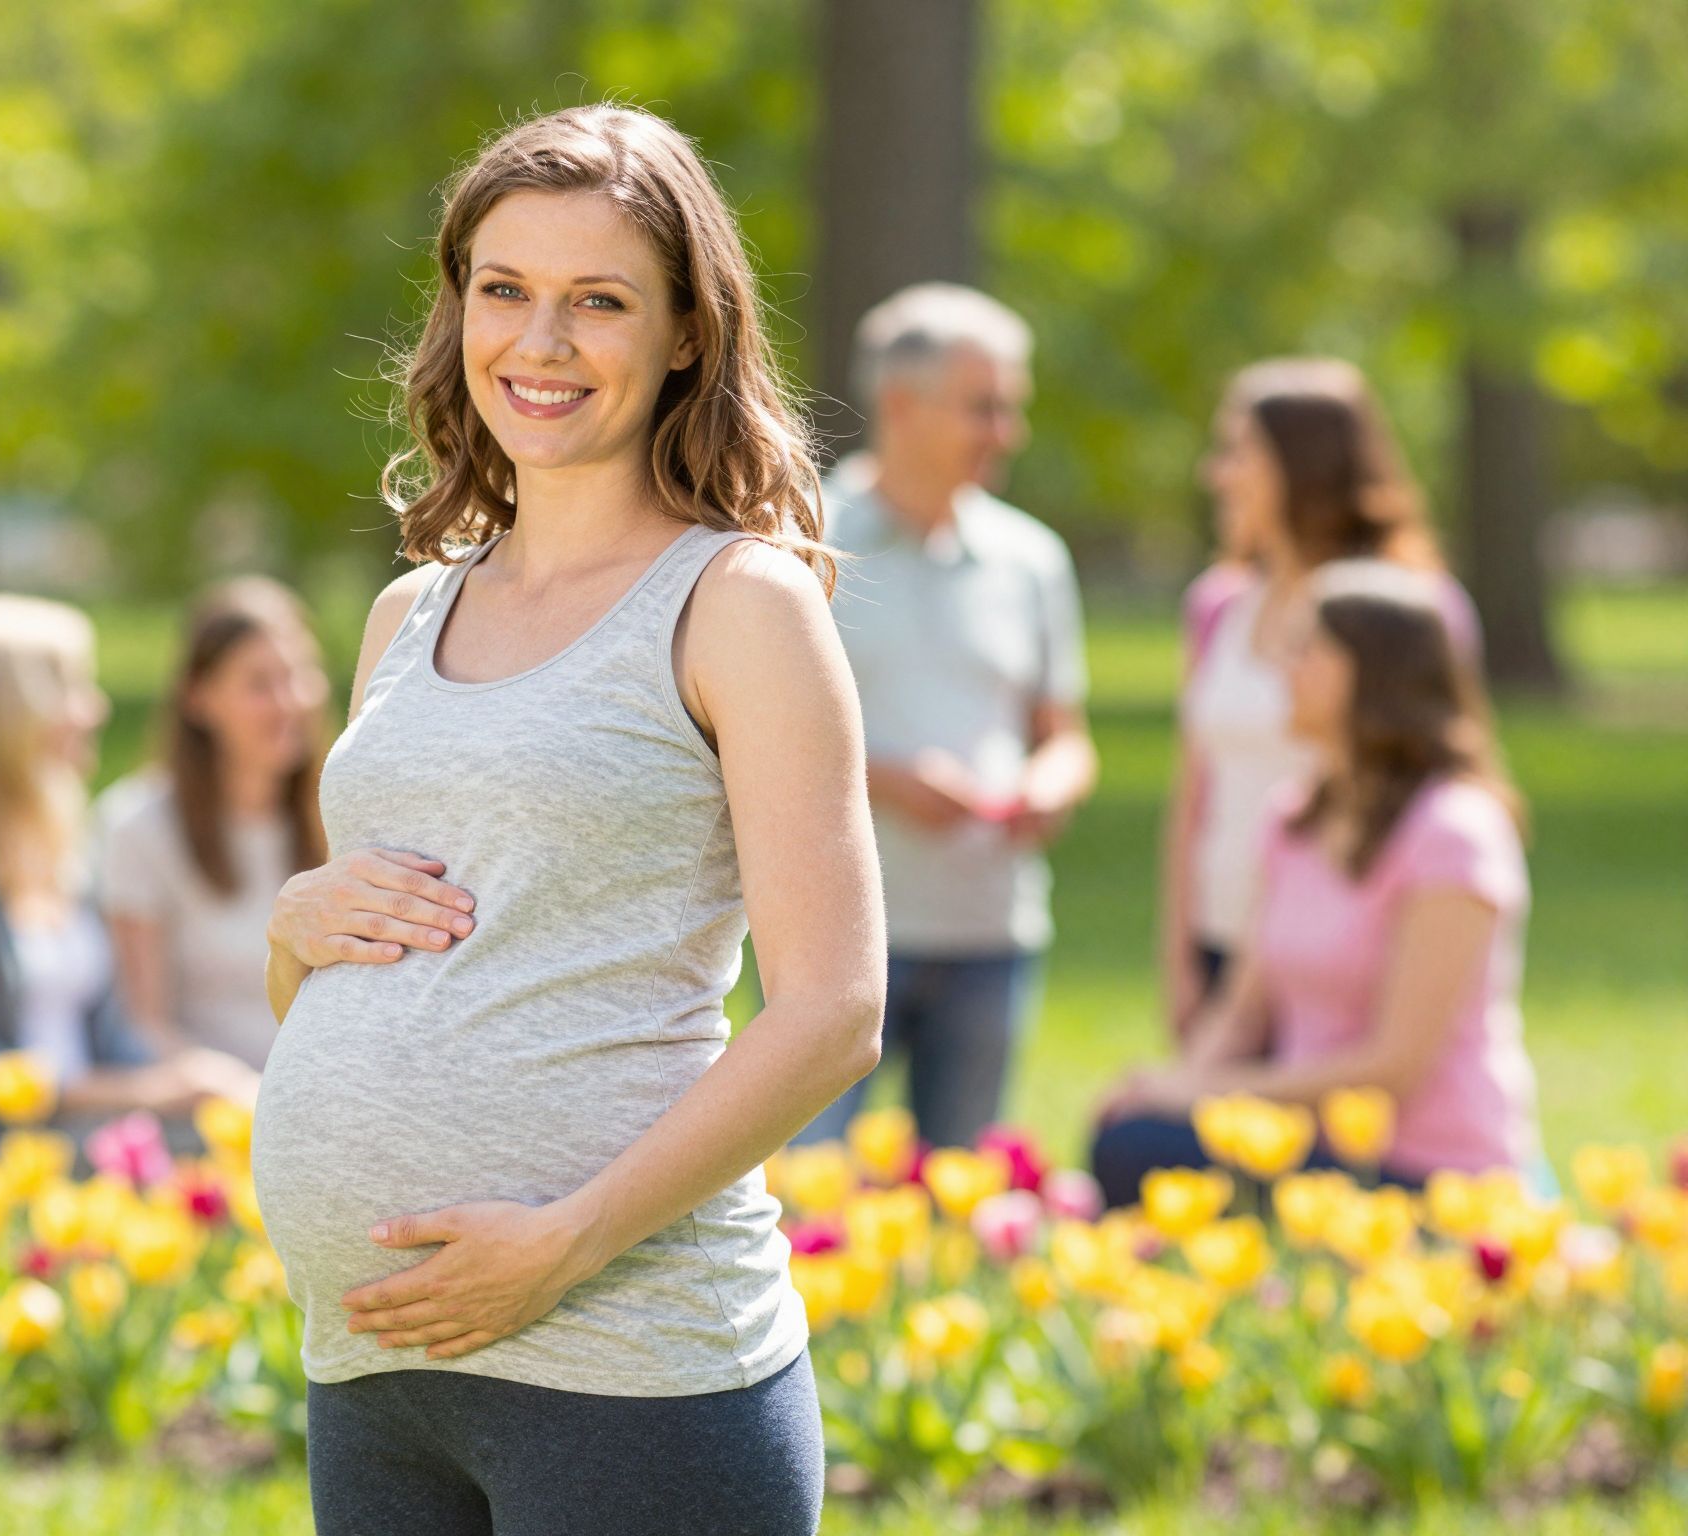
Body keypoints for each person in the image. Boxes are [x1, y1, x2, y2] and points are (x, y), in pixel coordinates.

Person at [249, 104, 884, 1536]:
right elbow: (376, 975)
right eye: (504, 290)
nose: (538, 343)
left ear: (685, 334)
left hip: (628, 1370)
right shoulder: (410, 612)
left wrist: (563, 1243)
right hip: (375, 1367)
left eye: (598, 300)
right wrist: (295, 927)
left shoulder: (738, 604)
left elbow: (834, 1012)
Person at [1092, 560, 1544, 1209]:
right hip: (1310, 1143)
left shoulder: (1454, 830)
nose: (1281, 667)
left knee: (1137, 1151)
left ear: (1373, 673)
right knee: (1129, 1131)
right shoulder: (1295, 817)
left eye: (1305, 648)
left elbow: (1395, 1067)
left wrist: (1209, 1096)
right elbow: (1243, 1013)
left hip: (1426, 1169)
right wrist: (1170, 1085)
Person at [788, 282, 1097, 1154]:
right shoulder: (799, 542)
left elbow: (1066, 738)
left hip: (989, 930)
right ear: (900, 405)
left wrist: (1049, 785)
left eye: (1010, 407)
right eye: (984, 408)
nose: (1008, 432)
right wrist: (889, 782)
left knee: (962, 1199)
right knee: (807, 1191)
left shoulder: (1031, 558)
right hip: (832, 938)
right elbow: (739, 739)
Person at [0, 594, 261, 1166]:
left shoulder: (67, 852)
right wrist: (141, 1094)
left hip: (77, 1131)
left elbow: (111, 1036)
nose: (95, 709)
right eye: (73, 688)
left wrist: (196, 1077)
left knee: (246, 1128)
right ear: (8, 714)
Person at [1160, 358, 1483, 1042]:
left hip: (1344, 958)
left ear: (1300, 463)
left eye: (1238, 452)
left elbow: (1451, 774)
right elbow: (1193, 796)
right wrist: (1180, 961)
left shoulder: (1405, 611)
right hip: (1224, 934)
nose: (1216, 474)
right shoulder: (1218, 607)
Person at [95, 577, 330, 1073]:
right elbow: (144, 1025)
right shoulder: (138, 827)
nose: (289, 701)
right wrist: (231, 1091)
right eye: (259, 684)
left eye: (298, 674)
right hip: (212, 1101)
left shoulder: (339, 816)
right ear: (199, 697)